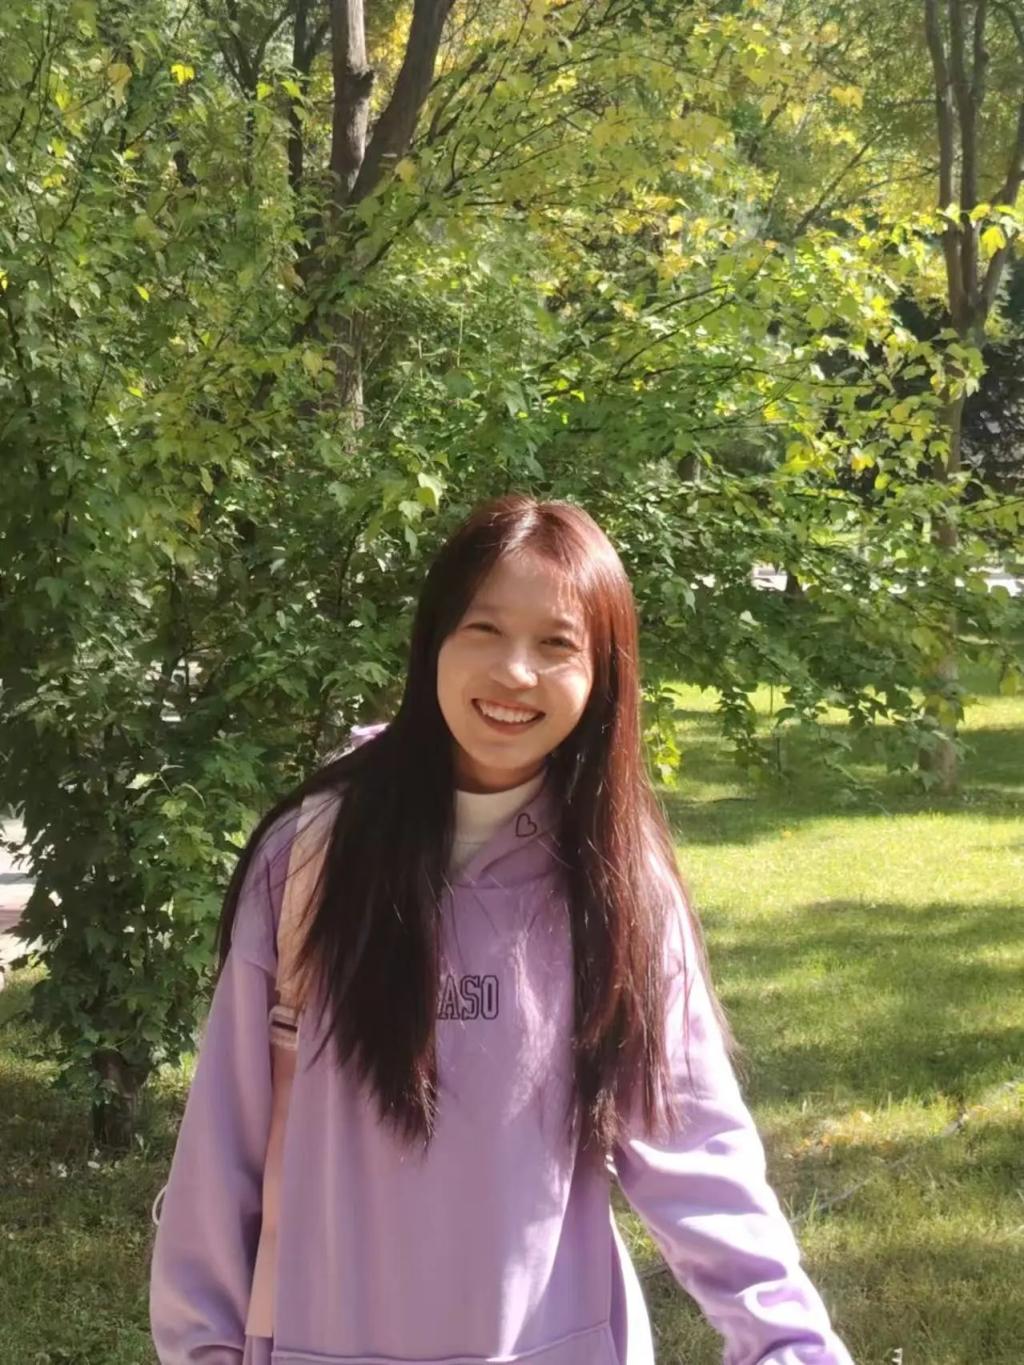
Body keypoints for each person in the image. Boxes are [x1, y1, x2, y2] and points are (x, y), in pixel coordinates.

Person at [149, 493, 855, 1365]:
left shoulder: (617, 884)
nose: (515, 672)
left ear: (602, 672)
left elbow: (694, 1146)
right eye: (484, 628)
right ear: (434, 642)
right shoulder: (311, 858)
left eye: (557, 643)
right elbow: (221, 1147)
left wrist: (787, 1342)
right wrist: (202, 1346)